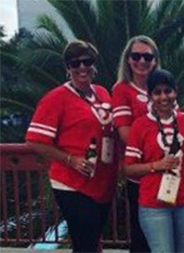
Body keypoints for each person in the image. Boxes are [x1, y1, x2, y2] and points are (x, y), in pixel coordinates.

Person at [26, 40, 117, 252]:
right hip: (72, 184)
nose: (82, 67)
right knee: (84, 241)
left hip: (102, 182)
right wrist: (71, 159)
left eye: (87, 61)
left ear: (94, 64)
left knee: (92, 241)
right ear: (68, 68)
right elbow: (34, 141)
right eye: (75, 63)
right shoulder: (56, 98)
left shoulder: (102, 93)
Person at [124, 69, 184, 252]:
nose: (163, 97)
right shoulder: (140, 125)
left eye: (168, 91)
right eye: (157, 92)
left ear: (175, 92)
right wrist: (155, 166)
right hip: (154, 204)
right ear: (150, 96)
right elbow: (128, 168)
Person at [112, 35, 160, 252]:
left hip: (164, 175)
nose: (142, 62)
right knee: (141, 236)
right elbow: (125, 133)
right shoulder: (122, 90)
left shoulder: (161, 88)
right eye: (136, 56)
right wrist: (155, 156)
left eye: (148, 57)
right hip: (140, 176)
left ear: (155, 60)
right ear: (128, 60)